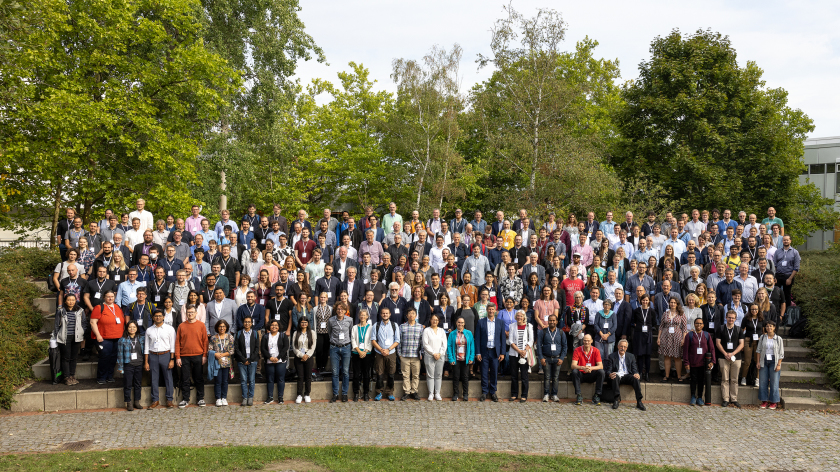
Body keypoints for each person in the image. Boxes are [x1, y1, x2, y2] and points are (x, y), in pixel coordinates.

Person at [175, 305, 208, 408]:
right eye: (188, 312)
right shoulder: (181, 326)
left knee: (198, 377)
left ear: (196, 313)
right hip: (184, 355)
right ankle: (185, 399)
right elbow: (177, 342)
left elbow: (205, 341)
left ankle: (200, 398)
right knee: (185, 378)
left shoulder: (201, 325)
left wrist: (204, 355)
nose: (190, 314)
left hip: (198, 355)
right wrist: (178, 357)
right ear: (186, 314)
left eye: (192, 312)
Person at [52, 294, 87, 386]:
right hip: (64, 337)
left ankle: (72, 376)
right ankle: (66, 377)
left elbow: (84, 323)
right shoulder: (61, 311)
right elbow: (56, 325)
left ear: (76, 300)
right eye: (69, 300)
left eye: (73, 300)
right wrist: (55, 336)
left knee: (74, 357)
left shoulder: (80, 310)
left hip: (76, 337)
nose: (71, 302)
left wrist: (82, 331)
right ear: (65, 301)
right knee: (66, 357)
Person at [144, 309, 176, 409]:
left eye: (160, 316)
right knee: (154, 378)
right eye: (156, 316)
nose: (158, 317)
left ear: (163, 317)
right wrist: (146, 362)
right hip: (153, 355)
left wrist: (172, 359)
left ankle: (169, 400)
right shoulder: (149, 330)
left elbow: (173, 346)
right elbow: (146, 347)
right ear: (153, 318)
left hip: (166, 355)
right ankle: (155, 400)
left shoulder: (170, 329)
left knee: (168, 378)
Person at [90, 291, 124, 385]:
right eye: (108, 297)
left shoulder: (117, 307)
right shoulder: (99, 307)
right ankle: (101, 377)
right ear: (104, 297)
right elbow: (93, 322)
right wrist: (98, 335)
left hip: (117, 337)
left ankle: (110, 376)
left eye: (112, 296)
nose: (110, 298)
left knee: (113, 358)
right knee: (105, 357)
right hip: (103, 337)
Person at [476, 303, 506, 402]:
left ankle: (493, 392)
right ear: (487, 310)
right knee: (484, 373)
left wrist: (502, 353)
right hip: (484, 351)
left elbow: (502, 339)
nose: (491, 311)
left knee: (494, 372)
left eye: (493, 309)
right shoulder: (481, 322)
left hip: (495, 352)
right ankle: (484, 392)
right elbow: (478, 339)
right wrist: (478, 352)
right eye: (489, 309)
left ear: (495, 310)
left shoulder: (500, 323)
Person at [682, 317, 715, 405]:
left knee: (701, 380)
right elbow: (685, 350)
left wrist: (713, 361)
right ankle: (693, 396)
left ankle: (700, 397)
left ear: (703, 325)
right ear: (694, 324)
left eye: (700, 323)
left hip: (703, 363)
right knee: (693, 380)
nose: (699, 325)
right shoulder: (690, 335)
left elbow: (712, 349)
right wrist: (686, 362)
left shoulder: (707, 335)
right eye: (697, 323)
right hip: (693, 362)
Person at [716, 310, 744, 408]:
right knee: (725, 379)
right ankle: (725, 399)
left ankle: (734, 398)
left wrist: (732, 353)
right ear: (726, 318)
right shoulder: (721, 328)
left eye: (733, 318)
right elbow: (718, 342)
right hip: (723, 357)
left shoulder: (738, 329)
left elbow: (741, 344)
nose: (731, 319)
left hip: (736, 357)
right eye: (729, 317)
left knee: (734, 379)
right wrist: (725, 354)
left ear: (735, 319)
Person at [607, 339, 646, 410]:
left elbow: (634, 368)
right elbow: (608, 370)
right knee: (614, 377)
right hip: (617, 375)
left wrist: (636, 373)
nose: (622, 348)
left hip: (627, 375)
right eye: (621, 346)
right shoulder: (612, 356)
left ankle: (639, 401)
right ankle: (616, 400)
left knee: (636, 378)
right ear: (618, 346)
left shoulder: (631, 356)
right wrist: (610, 374)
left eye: (624, 347)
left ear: (627, 348)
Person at [537, 314, 567, 402]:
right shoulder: (543, 332)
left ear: (557, 322)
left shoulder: (561, 332)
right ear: (548, 321)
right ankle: (546, 394)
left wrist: (562, 358)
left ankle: (554, 394)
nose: (552, 322)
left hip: (557, 358)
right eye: (550, 320)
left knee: (556, 377)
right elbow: (538, 346)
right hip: (546, 358)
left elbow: (565, 347)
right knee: (546, 377)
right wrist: (541, 358)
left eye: (554, 320)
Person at [328, 301, 354, 402]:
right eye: (338, 309)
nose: (340, 311)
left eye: (342, 309)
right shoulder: (331, 320)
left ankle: (344, 393)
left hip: (346, 347)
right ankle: (335, 394)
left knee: (345, 372)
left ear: (345, 310)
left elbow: (351, 332)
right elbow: (330, 333)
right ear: (336, 310)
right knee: (335, 372)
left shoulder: (350, 320)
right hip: (334, 347)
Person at [372, 307, 400, 401]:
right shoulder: (376, 325)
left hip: (391, 352)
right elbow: (373, 340)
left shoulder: (394, 325)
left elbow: (397, 341)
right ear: (381, 314)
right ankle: (379, 392)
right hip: (379, 353)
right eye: (383, 313)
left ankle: (389, 392)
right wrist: (381, 350)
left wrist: (388, 349)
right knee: (379, 373)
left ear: (390, 314)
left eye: (387, 313)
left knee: (391, 373)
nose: (385, 315)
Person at [658, 297, 688, 382]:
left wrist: (683, 339)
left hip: (677, 337)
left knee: (677, 357)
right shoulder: (665, 313)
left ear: (677, 304)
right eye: (671, 302)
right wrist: (659, 338)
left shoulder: (681, 314)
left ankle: (679, 376)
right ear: (669, 303)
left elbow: (684, 328)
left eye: (674, 302)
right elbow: (661, 326)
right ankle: (667, 376)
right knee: (667, 356)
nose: (673, 304)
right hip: (666, 336)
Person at [116, 320, 144, 410]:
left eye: (134, 327)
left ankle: (137, 401)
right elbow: (120, 354)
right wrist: (120, 367)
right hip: (128, 364)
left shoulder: (141, 338)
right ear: (127, 328)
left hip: (139, 364)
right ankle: (128, 402)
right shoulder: (122, 340)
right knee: (128, 384)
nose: (132, 329)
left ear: (137, 328)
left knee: (138, 384)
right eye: (130, 327)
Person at [756, 321, 784, 410]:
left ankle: (773, 401)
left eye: (770, 326)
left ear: (774, 327)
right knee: (763, 381)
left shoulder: (778, 338)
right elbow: (758, 350)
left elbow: (781, 353)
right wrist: (758, 362)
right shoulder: (762, 338)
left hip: (774, 361)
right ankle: (764, 400)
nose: (769, 328)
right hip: (763, 360)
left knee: (774, 382)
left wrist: (779, 364)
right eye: (767, 326)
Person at [570, 334, 605, 405]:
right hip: (581, 374)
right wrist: (582, 367)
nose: (586, 342)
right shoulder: (577, 350)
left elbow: (601, 366)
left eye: (588, 341)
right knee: (574, 372)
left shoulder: (596, 351)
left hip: (591, 374)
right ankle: (579, 395)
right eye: (585, 340)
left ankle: (597, 395)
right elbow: (573, 365)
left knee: (601, 372)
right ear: (583, 341)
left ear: (591, 341)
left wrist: (591, 368)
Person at [260, 319, 289, 404]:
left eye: (276, 325)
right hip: (269, 361)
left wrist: (278, 357)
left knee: (280, 379)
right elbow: (263, 349)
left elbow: (285, 348)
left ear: (279, 327)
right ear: (269, 326)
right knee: (270, 379)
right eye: (272, 325)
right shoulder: (265, 336)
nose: (274, 327)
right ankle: (270, 397)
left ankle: (280, 397)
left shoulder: (283, 336)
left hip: (280, 361)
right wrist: (270, 357)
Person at [507, 310, 533, 402]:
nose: (519, 317)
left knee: (524, 375)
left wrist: (524, 351)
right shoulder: (512, 326)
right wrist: (519, 351)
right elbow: (510, 341)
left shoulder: (529, 326)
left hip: (524, 354)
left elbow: (531, 340)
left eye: (521, 316)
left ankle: (524, 395)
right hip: (514, 354)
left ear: (524, 317)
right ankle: (514, 394)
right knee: (514, 375)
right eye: (518, 316)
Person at [447, 316, 475, 401]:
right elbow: (449, 346)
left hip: (465, 359)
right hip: (456, 359)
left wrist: (471, 357)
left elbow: (472, 346)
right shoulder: (452, 334)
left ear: (464, 323)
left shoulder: (469, 333)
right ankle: (455, 394)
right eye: (459, 322)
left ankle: (465, 394)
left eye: (462, 322)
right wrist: (451, 358)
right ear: (456, 323)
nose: (460, 324)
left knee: (465, 377)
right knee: (455, 377)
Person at [234, 316, 260, 406]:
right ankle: (244, 397)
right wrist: (243, 359)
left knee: (252, 380)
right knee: (243, 380)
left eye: (249, 322)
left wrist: (250, 359)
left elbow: (257, 348)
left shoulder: (255, 333)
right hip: (241, 361)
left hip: (252, 360)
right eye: (245, 322)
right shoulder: (239, 333)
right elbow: (236, 348)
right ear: (243, 323)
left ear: (251, 323)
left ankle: (250, 397)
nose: (247, 323)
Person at [398, 307, 423, 400]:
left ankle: (414, 391)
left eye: (413, 313)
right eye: (409, 313)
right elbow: (399, 341)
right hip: (404, 355)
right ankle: (407, 391)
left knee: (416, 375)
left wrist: (422, 353)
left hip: (416, 356)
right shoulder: (402, 327)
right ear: (407, 316)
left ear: (416, 315)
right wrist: (399, 354)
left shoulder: (420, 327)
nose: (411, 315)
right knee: (405, 375)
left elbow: (422, 342)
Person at [422, 313, 448, 401]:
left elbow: (444, 344)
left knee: (438, 375)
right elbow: (425, 344)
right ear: (430, 320)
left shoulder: (441, 331)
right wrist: (433, 353)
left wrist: (439, 353)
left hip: (440, 356)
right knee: (430, 375)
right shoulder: (426, 330)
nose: (434, 321)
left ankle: (437, 393)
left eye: (436, 320)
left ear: (438, 321)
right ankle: (430, 393)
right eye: (433, 319)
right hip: (429, 355)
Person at [630, 294, 656, 381]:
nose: (645, 302)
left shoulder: (652, 311)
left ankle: (647, 373)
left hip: (648, 334)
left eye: (646, 300)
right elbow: (633, 321)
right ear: (641, 301)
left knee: (647, 355)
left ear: (649, 301)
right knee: (640, 355)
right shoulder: (637, 310)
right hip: (639, 334)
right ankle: (640, 372)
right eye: (643, 300)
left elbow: (654, 322)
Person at [210, 319, 234, 406]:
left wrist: (223, 354)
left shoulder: (230, 337)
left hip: (226, 363)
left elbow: (232, 350)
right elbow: (210, 349)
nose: (222, 328)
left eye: (223, 326)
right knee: (217, 381)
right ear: (217, 327)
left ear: (226, 327)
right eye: (220, 326)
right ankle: (218, 398)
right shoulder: (213, 338)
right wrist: (216, 354)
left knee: (225, 381)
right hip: (217, 363)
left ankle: (224, 397)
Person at [351, 309, 374, 401]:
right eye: (361, 315)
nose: (362, 317)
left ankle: (366, 393)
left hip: (367, 354)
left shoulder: (370, 327)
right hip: (356, 353)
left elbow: (371, 340)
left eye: (364, 315)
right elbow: (353, 339)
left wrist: (365, 351)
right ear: (358, 316)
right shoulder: (355, 327)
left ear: (367, 316)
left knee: (366, 374)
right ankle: (356, 393)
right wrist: (359, 351)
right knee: (356, 374)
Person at [292, 317, 316, 403]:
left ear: (308, 323)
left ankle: (307, 394)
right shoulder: (296, 333)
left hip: (308, 356)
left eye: (305, 322)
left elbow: (313, 346)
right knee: (300, 377)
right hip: (299, 357)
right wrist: (301, 355)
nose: (304, 324)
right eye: (302, 322)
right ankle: (299, 395)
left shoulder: (312, 333)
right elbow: (294, 347)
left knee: (308, 377)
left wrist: (307, 355)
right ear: (299, 323)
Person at [740, 303, 765, 388]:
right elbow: (741, 330)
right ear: (750, 310)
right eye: (752, 309)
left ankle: (757, 379)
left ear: (758, 310)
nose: (754, 311)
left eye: (756, 309)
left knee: (757, 361)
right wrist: (741, 343)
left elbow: (764, 331)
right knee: (747, 361)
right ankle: (744, 378)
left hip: (758, 342)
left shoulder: (761, 319)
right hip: (748, 340)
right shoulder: (746, 319)